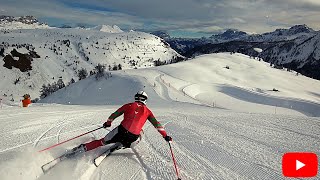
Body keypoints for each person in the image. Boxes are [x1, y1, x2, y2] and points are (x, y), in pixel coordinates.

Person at [68, 91, 172, 156]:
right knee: (141, 133)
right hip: (133, 138)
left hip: (121, 131)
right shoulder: (148, 111)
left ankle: (80, 150)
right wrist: (166, 136)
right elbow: (157, 125)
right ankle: (123, 145)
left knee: (101, 142)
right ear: (145, 100)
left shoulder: (128, 105)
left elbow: (113, 115)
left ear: (136, 98)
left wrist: (108, 123)